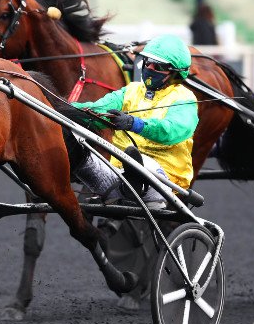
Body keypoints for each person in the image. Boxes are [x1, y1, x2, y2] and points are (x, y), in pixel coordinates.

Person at [71, 34, 199, 309]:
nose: (149, 69)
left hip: (164, 181)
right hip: (118, 175)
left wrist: (134, 124)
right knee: (79, 151)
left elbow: (174, 131)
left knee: (137, 162)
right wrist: (61, 108)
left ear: (174, 73)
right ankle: (119, 182)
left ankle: (133, 178)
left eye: (157, 67)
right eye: (147, 63)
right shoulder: (129, 92)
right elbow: (96, 109)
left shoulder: (184, 98)